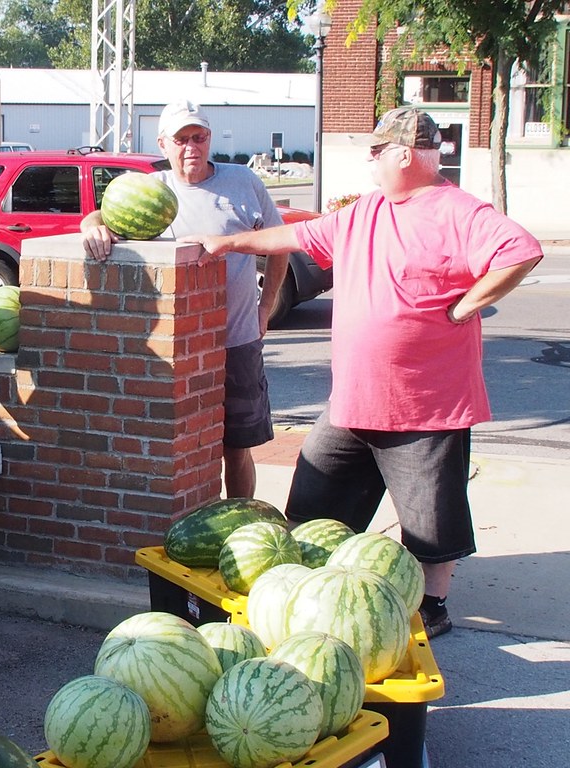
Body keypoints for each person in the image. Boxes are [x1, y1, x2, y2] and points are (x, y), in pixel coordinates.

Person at [182, 107, 544, 638]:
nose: (370, 158)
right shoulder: (367, 210)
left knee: (429, 517)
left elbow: (521, 251)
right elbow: (296, 238)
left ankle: (433, 605)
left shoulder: (459, 211)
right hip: (353, 399)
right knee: (312, 503)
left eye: (378, 150)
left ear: (405, 155)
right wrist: (230, 243)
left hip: (427, 403)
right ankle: (323, 589)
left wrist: (466, 307)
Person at [82, 100, 288, 498]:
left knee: (236, 448)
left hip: (238, 338)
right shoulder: (152, 191)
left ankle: (240, 521)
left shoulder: (243, 182)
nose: (191, 146)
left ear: (210, 139)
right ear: (163, 144)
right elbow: (98, 216)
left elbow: (278, 246)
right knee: (182, 445)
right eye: (181, 139)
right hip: (179, 348)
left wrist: (267, 307)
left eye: (199, 137)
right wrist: (92, 227)